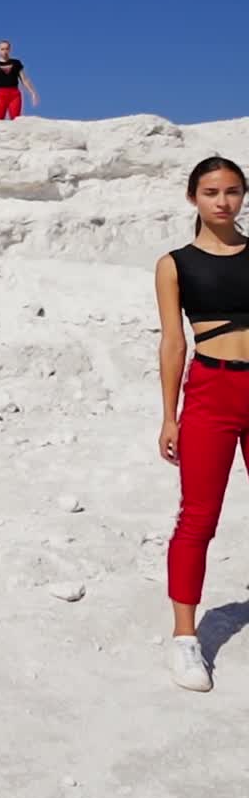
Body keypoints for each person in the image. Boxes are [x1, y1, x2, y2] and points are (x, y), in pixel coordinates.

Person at [155, 157, 249, 690]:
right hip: (212, 392)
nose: (223, 201)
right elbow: (173, 342)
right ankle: (186, 638)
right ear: (193, 197)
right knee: (199, 516)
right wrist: (169, 415)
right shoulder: (175, 264)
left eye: (233, 191)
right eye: (211, 191)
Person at [0, 40, 39, 120]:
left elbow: (24, 80)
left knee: (16, 120)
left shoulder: (16, 63)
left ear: (10, 50)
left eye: (7, 49)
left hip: (14, 95)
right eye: (2, 49)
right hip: (0, 95)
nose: (5, 51)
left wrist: (33, 93)